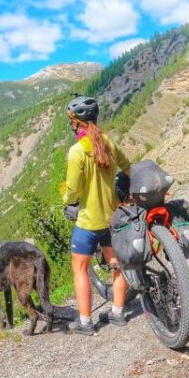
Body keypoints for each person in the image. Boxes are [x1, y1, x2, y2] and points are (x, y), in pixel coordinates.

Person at [60, 95, 131, 336]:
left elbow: (72, 190)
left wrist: (67, 202)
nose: (70, 124)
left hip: (88, 223)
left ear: (77, 122)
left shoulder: (77, 151)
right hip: (112, 220)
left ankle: (85, 322)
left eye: (71, 120)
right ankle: (118, 313)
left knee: (80, 269)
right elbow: (128, 166)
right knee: (116, 265)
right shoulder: (109, 143)